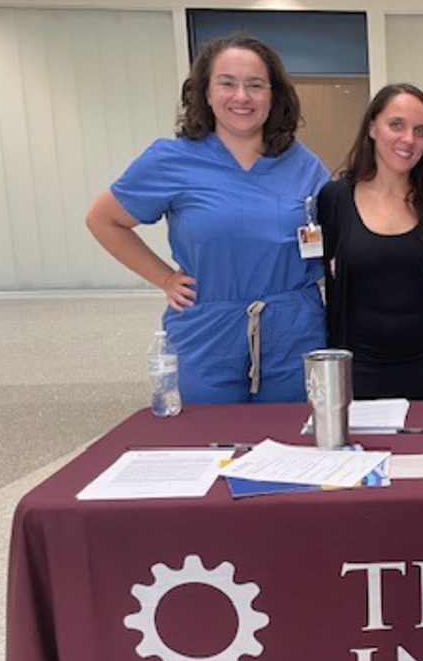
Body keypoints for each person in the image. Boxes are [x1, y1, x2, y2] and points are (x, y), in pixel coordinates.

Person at [86, 33, 329, 403]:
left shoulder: (303, 164)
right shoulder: (170, 160)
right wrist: (165, 278)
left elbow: (348, 223)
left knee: (291, 445)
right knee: (206, 443)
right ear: (205, 92)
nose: (241, 97)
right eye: (227, 83)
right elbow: (103, 220)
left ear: (274, 95)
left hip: (293, 329)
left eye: (255, 85)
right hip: (207, 331)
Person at [317, 84, 423, 400]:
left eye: (420, 131)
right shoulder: (335, 200)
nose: (408, 139)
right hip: (357, 374)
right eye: (396, 125)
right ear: (371, 127)